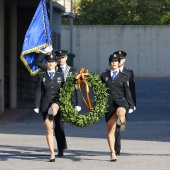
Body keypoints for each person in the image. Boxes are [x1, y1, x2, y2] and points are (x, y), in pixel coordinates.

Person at [35, 46, 82, 157]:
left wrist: (78, 103)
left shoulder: (72, 71)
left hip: (63, 102)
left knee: (59, 126)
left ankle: (60, 148)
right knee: (52, 126)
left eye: (62, 57)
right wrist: (45, 52)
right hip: (50, 101)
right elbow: (38, 62)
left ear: (66, 58)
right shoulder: (52, 68)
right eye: (59, 58)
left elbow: (76, 87)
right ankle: (57, 149)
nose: (60, 59)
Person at [101, 53, 134, 162]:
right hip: (109, 105)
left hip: (121, 102)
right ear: (110, 63)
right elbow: (100, 91)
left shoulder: (124, 75)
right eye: (112, 61)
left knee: (120, 113)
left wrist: (131, 105)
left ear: (118, 63)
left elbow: (127, 91)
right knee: (111, 129)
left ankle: (123, 120)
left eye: (116, 61)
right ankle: (112, 152)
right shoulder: (104, 75)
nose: (114, 63)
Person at [34, 54, 65, 162]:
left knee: (54, 107)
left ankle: (53, 111)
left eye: (52, 62)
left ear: (56, 63)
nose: (50, 63)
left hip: (57, 102)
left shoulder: (61, 76)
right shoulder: (41, 76)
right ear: (46, 64)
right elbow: (38, 91)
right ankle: (52, 153)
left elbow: (65, 92)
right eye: (49, 62)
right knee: (49, 129)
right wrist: (36, 106)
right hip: (45, 104)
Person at [113, 50, 136, 156]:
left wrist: (133, 104)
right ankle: (116, 148)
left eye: (121, 59)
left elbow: (131, 89)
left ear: (124, 60)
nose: (119, 61)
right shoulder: (110, 72)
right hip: (113, 103)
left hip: (125, 102)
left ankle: (122, 122)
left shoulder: (128, 72)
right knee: (117, 126)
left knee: (121, 123)